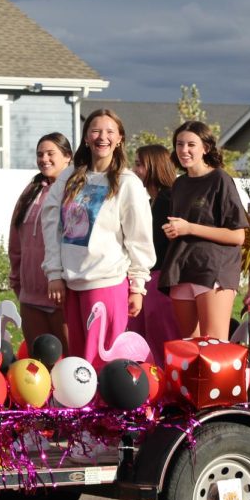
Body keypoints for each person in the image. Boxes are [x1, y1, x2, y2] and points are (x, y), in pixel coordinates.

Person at [41, 109, 154, 367]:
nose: (102, 137)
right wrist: (54, 273)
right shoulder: (70, 177)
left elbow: (139, 238)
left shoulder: (127, 183)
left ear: (120, 139)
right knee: (79, 362)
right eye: (96, 131)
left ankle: (107, 408)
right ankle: (83, 407)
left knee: (102, 362)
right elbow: (51, 222)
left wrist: (137, 286)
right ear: (86, 138)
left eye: (109, 132)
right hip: (71, 284)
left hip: (106, 282)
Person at [159, 120, 248, 341]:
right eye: (179, 144)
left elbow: (238, 235)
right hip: (181, 270)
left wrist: (189, 228)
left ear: (205, 148)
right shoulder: (179, 184)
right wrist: (175, 231)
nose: (184, 150)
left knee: (214, 346)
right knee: (189, 348)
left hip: (212, 270)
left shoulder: (220, 179)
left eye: (191, 144)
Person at [9, 133, 73, 351]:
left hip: (63, 295)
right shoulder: (31, 191)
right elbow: (15, 241)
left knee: (70, 361)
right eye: (40, 154)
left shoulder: (76, 192)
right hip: (31, 295)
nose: (44, 159)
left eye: (50, 153)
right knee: (38, 362)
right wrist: (17, 279)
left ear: (67, 157)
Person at [126, 143, 180, 356]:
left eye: (139, 164)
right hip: (148, 278)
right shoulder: (148, 201)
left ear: (154, 166)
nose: (134, 169)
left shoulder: (167, 199)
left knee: (162, 337)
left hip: (161, 279)